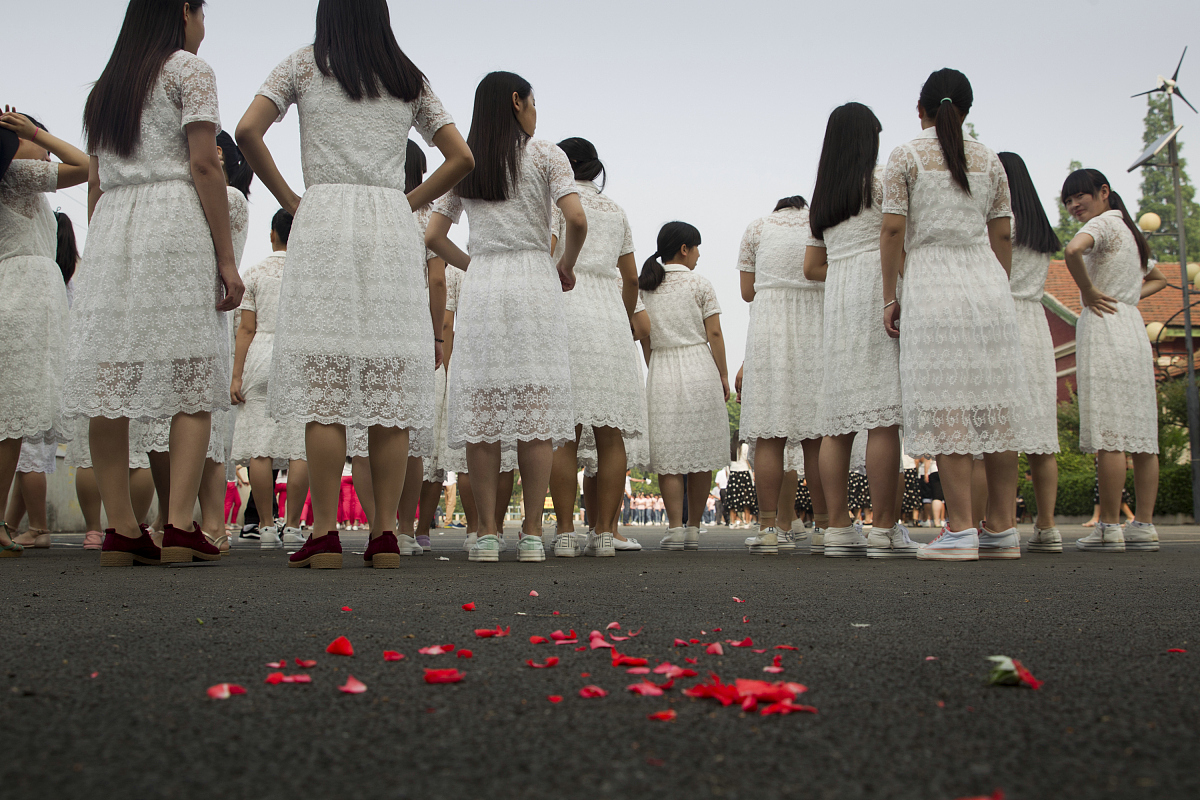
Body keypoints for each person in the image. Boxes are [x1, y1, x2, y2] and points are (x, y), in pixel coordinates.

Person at [237, 0, 472, 570]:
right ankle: (386, 533)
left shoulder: (302, 65)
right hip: (390, 226)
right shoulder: (406, 75)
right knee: (387, 382)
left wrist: (291, 198)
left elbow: (246, 130)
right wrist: (407, 201)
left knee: (327, 382)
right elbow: (460, 156)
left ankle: (321, 534)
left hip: (322, 220)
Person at [425, 70, 586, 564]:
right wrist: (565, 264)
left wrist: (475, 264)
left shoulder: (469, 160)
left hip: (485, 286)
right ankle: (534, 533)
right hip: (534, 281)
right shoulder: (546, 155)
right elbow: (576, 219)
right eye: (532, 103)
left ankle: (489, 534)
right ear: (517, 102)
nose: (535, 113)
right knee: (534, 412)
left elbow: (432, 235)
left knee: (484, 412)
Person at [881, 68, 1032, 561]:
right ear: (967, 110)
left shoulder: (905, 156)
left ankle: (961, 529)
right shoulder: (990, 159)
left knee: (949, 406)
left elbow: (892, 232)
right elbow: (1003, 234)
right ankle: (1002, 529)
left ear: (919, 108)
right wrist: (999, 288)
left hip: (932, 282)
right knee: (995, 407)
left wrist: (890, 293)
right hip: (987, 283)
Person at [803, 102, 910, 558]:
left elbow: (812, 267)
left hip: (839, 302)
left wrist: (845, 269)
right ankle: (884, 528)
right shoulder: (885, 180)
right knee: (884, 416)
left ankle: (839, 528)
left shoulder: (823, 197)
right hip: (878, 291)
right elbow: (900, 237)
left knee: (838, 420)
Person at [546, 137, 643, 559]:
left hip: (565, 307)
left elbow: (550, 253)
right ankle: (604, 533)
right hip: (608, 315)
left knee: (565, 432)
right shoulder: (616, 210)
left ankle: (565, 532)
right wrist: (620, 317)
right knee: (611, 432)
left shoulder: (556, 204)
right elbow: (633, 279)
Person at [1061, 168, 1166, 552]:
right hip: (1132, 327)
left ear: (1103, 192)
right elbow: (1160, 280)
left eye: (1079, 197)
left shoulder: (1103, 224)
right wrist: (1126, 296)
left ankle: (1108, 525)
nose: (1074, 205)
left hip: (1105, 327)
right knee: (1141, 434)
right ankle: (1144, 525)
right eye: (1069, 201)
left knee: (1110, 432)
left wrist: (1088, 291)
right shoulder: (1129, 230)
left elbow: (1072, 250)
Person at [0, 109, 88, 558]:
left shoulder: (14, 177)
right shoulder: (18, 173)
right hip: (25, 295)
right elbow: (89, 165)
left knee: (9, 418)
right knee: (11, 415)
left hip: (21, 291)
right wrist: (35, 133)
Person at [738, 195, 826, 554]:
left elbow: (747, 292)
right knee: (818, 437)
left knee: (769, 436)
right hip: (815, 325)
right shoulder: (819, 224)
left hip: (770, 327)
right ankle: (825, 525)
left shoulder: (757, 227)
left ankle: (769, 528)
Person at [637, 221, 729, 550]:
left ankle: (674, 527)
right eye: (697, 247)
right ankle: (692, 528)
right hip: (699, 365)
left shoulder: (645, 286)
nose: (700, 254)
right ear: (684, 248)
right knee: (700, 455)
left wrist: (655, 365)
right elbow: (714, 334)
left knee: (669, 454)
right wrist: (722, 374)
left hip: (662, 367)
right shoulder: (700, 284)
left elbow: (644, 336)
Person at [230, 207, 311, 549]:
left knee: (259, 449)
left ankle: (264, 526)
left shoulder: (255, 272)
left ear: (273, 235)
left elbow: (246, 328)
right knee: (300, 446)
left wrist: (236, 376)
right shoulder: (309, 272)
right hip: (298, 356)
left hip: (261, 355)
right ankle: (292, 525)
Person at [998, 152, 1064, 553]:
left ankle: (1000, 520)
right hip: (1037, 327)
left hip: (1004, 324)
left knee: (997, 431)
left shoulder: (1000, 225)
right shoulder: (1041, 231)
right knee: (1041, 437)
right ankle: (1048, 525)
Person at [395, 140, 453, 555]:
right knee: (412, 437)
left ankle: (378, 524)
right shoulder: (423, 219)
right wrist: (436, 335)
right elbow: (437, 282)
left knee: (366, 434)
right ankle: (403, 527)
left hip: (370, 325)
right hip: (412, 328)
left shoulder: (372, 212)